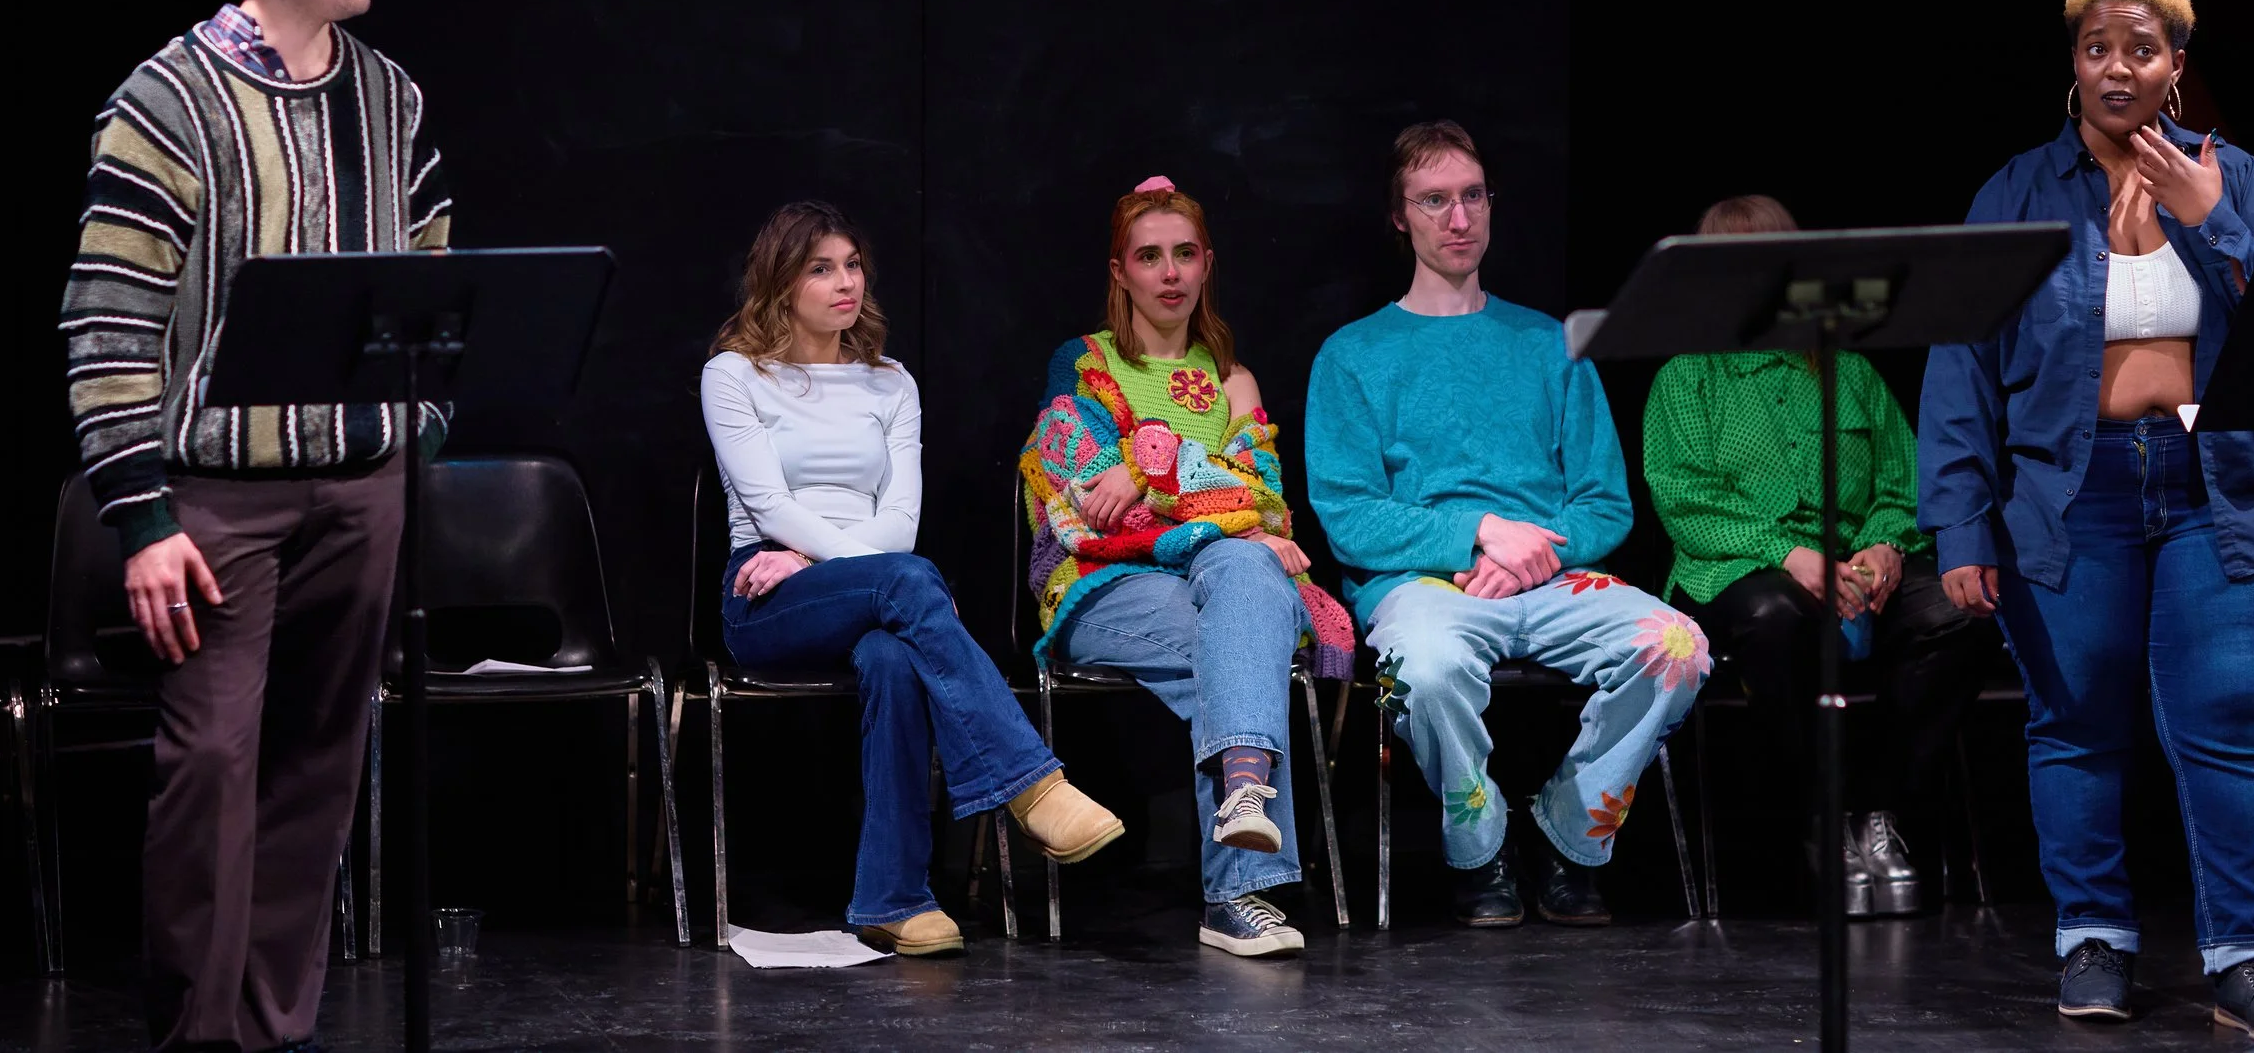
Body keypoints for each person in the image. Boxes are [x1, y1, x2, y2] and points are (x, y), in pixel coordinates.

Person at [62, 0, 451, 1053]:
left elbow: (436, 266)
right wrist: (142, 518)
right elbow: (109, 317)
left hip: (361, 484)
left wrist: (415, 429)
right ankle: (199, 1033)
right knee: (214, 763)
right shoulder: (166, 98)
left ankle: (274, 1027)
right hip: (218, 495)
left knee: (320, 766)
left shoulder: (387, 93)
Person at [1920, 0, 2254, 1038]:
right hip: (2066, 490)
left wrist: (2208, 210)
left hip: (2214, 484)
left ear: (2174, 65)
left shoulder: (2237, 177)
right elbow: (1960, 364)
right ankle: (2092, 936)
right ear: (2073, 64)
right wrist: (1958, 517)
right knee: (2074, 720)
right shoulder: (2017, 190)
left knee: (2234, 720)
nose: (2116, 67)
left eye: (2140, 48)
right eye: (2096, 48)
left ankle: (2247, 952)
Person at [1305, 121, 1709, 927]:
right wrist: (1481, 532)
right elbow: (1350, 518)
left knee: (1678, 648)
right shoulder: (1353, 354)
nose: (1459, 219)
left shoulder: (1552, 342)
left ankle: (1570, 829)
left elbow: (1604, 503)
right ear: (1401, 216)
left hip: (1551, 577)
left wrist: (1527, 555)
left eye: (1472, 197)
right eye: (1435, 201)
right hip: (1424, 585)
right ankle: (1480, 840)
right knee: (1419, 668)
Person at [702, 200, 1124, 957]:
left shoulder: (890, 382)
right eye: (821, 268)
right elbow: (766, 503)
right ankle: (1031, 784)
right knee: (909, 581)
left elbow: (898, 523)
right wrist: (809, 563)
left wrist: (819, 556)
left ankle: (893, 899)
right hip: (766, 594)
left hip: (861, 582)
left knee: (896, 652)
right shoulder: (735, 374)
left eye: (853, 265)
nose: (845, 283)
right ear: (780, 282)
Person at [1020, 177, 1358, 957]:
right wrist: (1196, 496)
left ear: (1207, 263)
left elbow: (1267, 503)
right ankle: (1243, 878)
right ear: (1120, 271)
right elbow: (1088, 510)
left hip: (1222, 584)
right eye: (1149, 256)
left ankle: (1242, 828)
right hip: (1107, 590)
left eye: (1182, 254)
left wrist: (1150, 467)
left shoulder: (1233, 378)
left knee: (1245, 582)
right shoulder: (1084, 366)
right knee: (1249, 594)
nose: (1168, 272)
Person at [1645, 194, 1993, 917]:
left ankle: (1883, 814)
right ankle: (1816, 818)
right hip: (1737, 569)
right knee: (1776, 613)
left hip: (1854, 571)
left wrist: (1885, 544)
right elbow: (1683, 499)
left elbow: (1904, 477)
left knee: (1955, 614)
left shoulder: (1847, 370)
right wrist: (1786, 551)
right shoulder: (1688, 376)